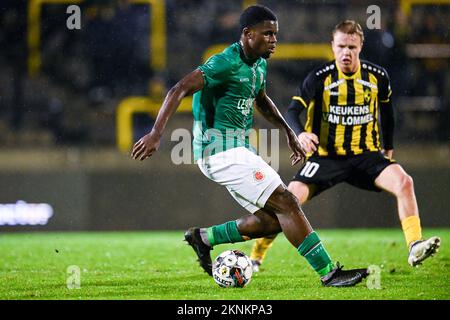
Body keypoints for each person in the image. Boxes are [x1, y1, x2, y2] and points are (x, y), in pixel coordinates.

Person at [132, 6, 368, 287]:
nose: (273, 40)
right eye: (267, 33)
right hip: (219, 150)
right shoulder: (223, 62)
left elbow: (261, 99)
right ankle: (329, 273)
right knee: (288, 201)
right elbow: (178, 89)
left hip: (237, 150)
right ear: (247, 34)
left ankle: (203, 238)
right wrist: (156, 133)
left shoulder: (259, 64)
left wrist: (288, 132)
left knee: (272, 220)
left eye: (275, 34)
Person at [249, 20, 441, 272]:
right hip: (326, 158)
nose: (346, 53)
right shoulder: (319, 78)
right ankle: (255, 258)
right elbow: (293, 110)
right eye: (341, 46)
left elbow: (388, 112)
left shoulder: (378, 77)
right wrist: (302, 133)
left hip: (367, 156)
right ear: (332, 46)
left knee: (404, 182)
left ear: (361, 46)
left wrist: (389, 147)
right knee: (286, 201)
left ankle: (414, 245)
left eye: (351, 47)